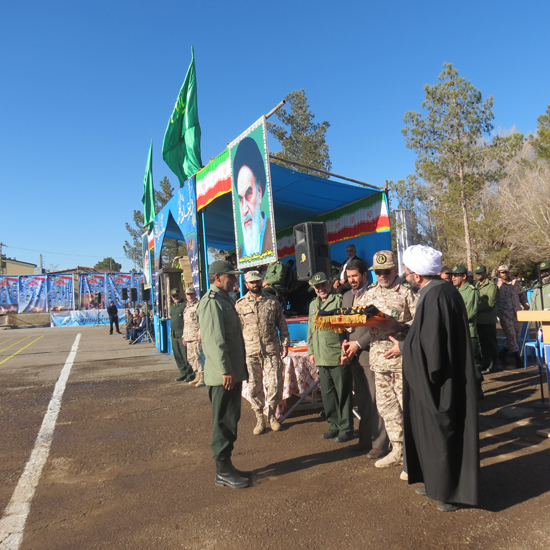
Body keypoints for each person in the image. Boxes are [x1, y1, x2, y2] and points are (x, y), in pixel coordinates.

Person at [384, 245, 479, 512]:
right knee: (428, 433)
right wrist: (404, 331)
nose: (404, 274)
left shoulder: (436, 295)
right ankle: (435, 481)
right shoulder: (438, 291)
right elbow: (427, 334)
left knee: (442, 432)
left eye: (406, 270)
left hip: (441, 381)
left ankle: (449, 491)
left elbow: (431, 346)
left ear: (417, 275)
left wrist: (403, 346)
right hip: (442, 374)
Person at [357, 251, 416, 469]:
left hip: (402, 361)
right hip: (379, 361)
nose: (382, 276)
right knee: (387, 408)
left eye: (386, 271)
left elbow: (420, 323)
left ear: (395, 270)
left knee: (407, 408)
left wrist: (403, 338)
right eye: (378, 272)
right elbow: (357, 315)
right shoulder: (369, 293)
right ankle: (398, 450)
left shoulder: (408, 292)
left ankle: (413, 456)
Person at [196, 260, 251, 489]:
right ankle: (222, 470)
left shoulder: (223, 299)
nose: (235, 279)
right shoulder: (211, 303)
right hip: (224, 375)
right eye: (231, 276)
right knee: (223, 421)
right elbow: (213, 341)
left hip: (231, 372)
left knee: (231, 418)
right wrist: (225, 369)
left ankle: (226, 464)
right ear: (218, 277)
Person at [340, 259, 389, 458]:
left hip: (370, 353)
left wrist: (358, 344)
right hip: (352, 355)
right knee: (362, 399)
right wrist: (344, 343)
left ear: (364, 275)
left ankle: (380, 444)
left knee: (376, 400)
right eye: (349, 277)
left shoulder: (375, 295)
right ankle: (365, 439)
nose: (352, 280)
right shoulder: (345, 296)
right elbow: (341, 322)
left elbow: (379, 324)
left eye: (355, 276)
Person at [235, 270, 290, 434]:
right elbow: (237, 330)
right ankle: (260, 418)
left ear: (262, 282)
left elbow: (282, 324)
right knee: (254, 387)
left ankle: (272, 415)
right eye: (252, 282)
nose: (255, 284)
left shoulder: (272, 301)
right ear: (246, 285)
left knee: (274, 384)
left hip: (271, 350)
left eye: (257, 281)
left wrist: (285, 342)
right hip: (250, 352)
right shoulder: (239, 304)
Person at [308, 272, 354, 443]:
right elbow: (311, 330)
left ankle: (346, 428)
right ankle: (334, 425)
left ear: (329, 283)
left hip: (337, 354)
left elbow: (347, 328)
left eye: (323, 285)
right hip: (321, 355)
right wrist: (311, 351)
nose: (321, 289)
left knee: (343, 393)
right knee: (327, 395)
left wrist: (345, 352)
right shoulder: (313, 304)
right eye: (317, 286)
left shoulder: (339, 300)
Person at [234, 137, 273, 259]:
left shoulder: (272, 236)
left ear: (260, 191)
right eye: (240, 199)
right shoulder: (241, 252)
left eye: (248, 194)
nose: (245, 209)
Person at [451, 265, 483, 397]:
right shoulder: (453, 291)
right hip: (456, 332)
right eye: (452, 275)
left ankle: (477, 389)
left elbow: (469, 313)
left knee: (473, 364)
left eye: (456, 275)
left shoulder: (471, 291)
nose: (453, 278)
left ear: (464, 277)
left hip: (469, 333)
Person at [496, 265, 529, 368]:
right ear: (499, 273)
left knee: (516, 335)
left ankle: (502, 354)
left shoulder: (516, 283)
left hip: (517, 313)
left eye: (505, 272)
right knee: (511, 335)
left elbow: (522, 296)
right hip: (504, 314)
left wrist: (526, 305)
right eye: (502, 272)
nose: (504, 274)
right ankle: (517, 359)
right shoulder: (497, 285)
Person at [475, 264, 501, 373]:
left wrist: (475, 308)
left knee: (490, 342)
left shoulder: (491, 286)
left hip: (488, 320)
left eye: (480, 273)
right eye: (477, 273)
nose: (478, 275)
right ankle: (485, 361)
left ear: (485, 273)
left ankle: (495, 362)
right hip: (478, 320)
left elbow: (490, 303)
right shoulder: (476, 285)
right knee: (481, 342)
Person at [170, 289, 194, 383]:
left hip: (182, 334)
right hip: (174, 334)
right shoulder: (173, 307)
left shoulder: (184, 305)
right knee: (178, 355)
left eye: (177, 295)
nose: (176, 297)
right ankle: (183, 373)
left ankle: (190, 374)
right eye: (174, 296)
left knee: (185, 356)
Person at [183, 287, 205, 387]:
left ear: (195, 294)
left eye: (192, 294)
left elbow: (202, 321)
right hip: (189, 337)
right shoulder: (187, 307)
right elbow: (186, 323)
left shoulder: (199, 305)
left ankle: (203, 378)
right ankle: (197, 376)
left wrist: (200, 334)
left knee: (199, 357)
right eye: (188, 294)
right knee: (191, 358)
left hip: (196, 336)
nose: (190, 296)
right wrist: (184, 337)